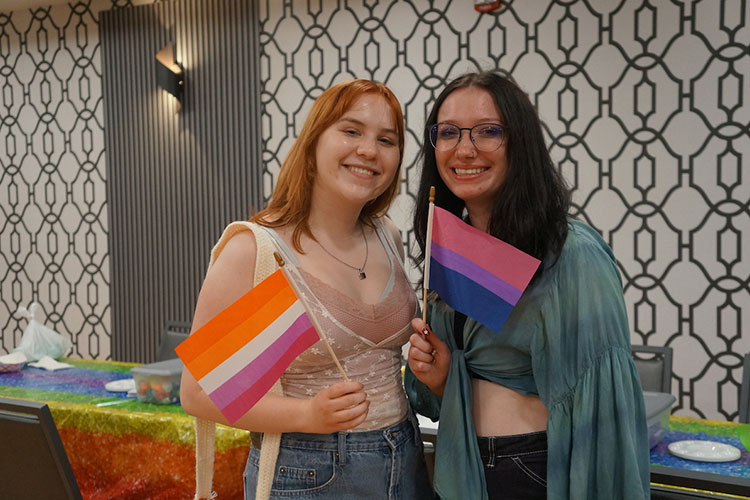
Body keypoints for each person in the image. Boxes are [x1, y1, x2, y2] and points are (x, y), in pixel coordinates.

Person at [180, 79, 434, 500]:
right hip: (307, 469)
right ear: (314, 143)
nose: (369, 150)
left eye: (386, 139)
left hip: (404, 457)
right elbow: (197, 392)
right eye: (351, 131)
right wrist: (307, 413)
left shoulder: (387, 234)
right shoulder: (258, 250)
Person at [405, 71, 650, 500]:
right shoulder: (450, 247)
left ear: (521, 143)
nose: (465, 149)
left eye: (488, 131)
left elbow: (605, 413)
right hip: (461, 464)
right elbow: (462, 389)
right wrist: (442, 378)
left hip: (532, 470)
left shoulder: (570, 254)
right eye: (448, 133)